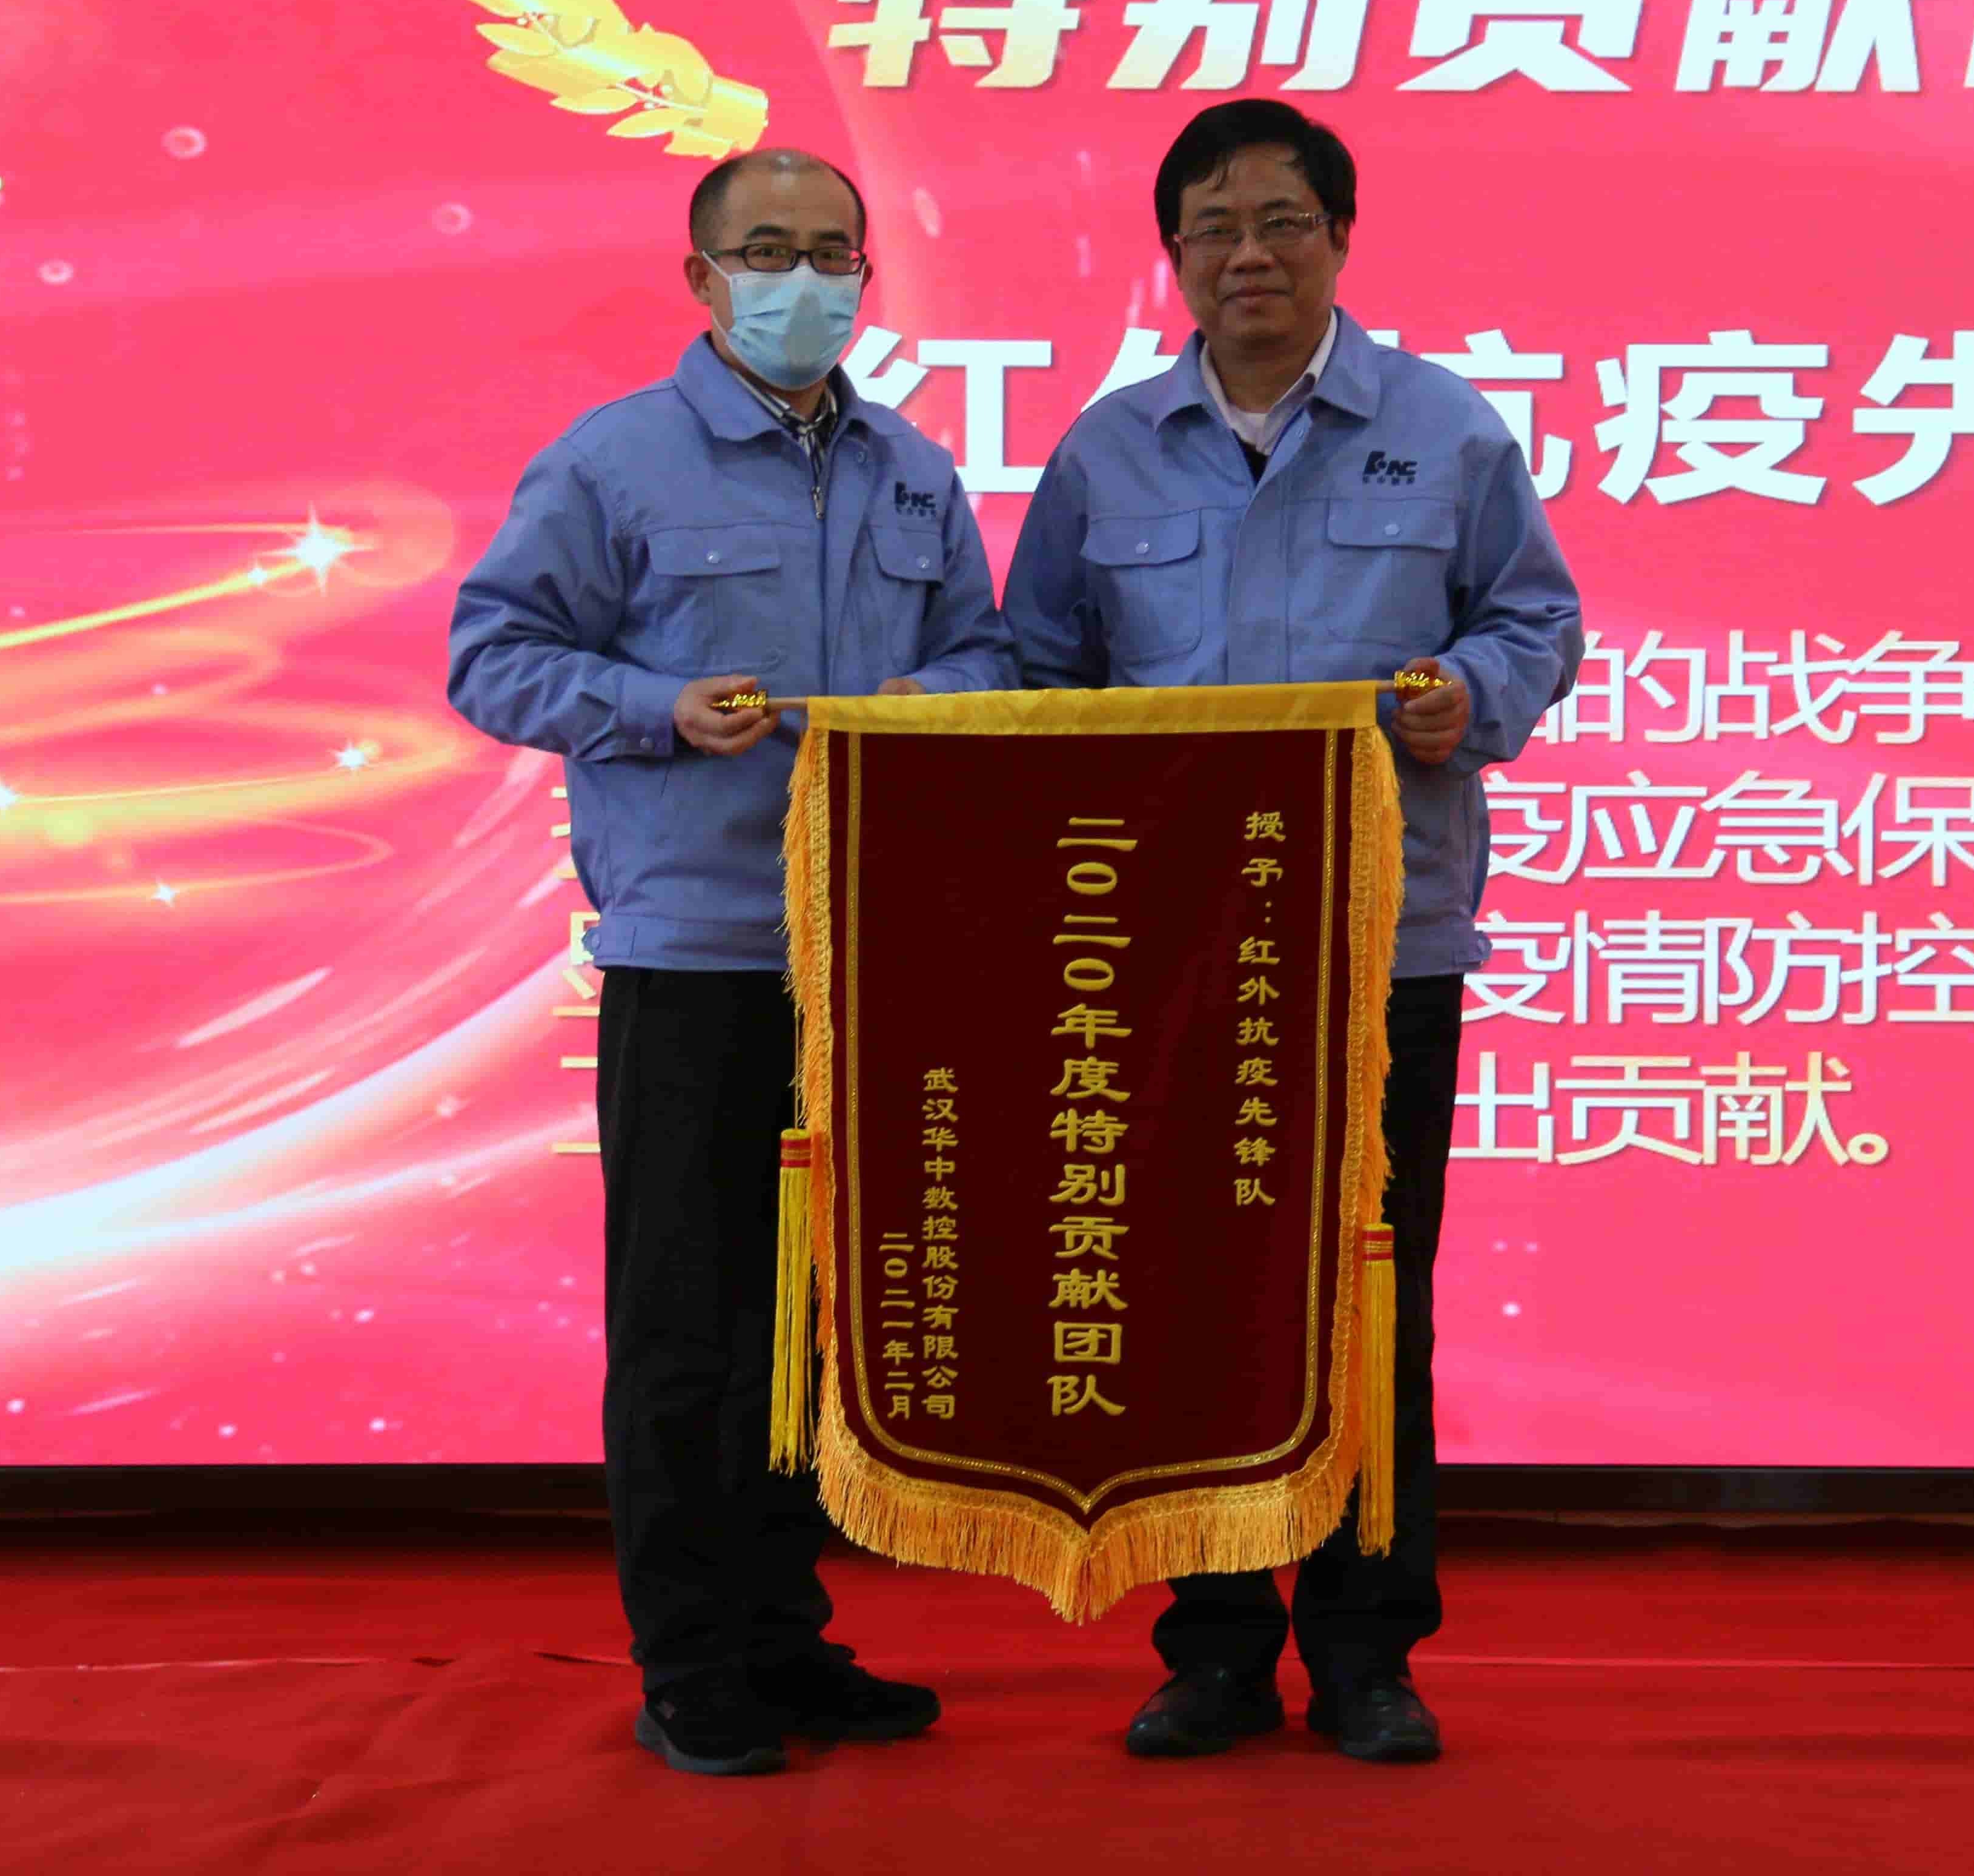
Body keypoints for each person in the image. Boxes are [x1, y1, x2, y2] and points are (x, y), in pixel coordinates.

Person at [1002, 99, 1583, 1765]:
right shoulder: (1109, 451)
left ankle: (1368, 1650)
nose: (1247, 255)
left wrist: (1469, 693)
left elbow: (1535, 616)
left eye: (1280, 222)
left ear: (1339, 239)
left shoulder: (1443, 430)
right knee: (1192, 1299)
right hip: (1165, 954)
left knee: (1368, 1296)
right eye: (1213, 228)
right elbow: (1036, 671)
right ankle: (1214, 1647)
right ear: (1173, 256)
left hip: (1379, 941)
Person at [446, 148, 1015, 1777]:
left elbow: (984, 653)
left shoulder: (911, 472)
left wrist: (937, 704)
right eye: (767, 251)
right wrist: (652, 707)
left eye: (832, 252)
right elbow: (494, 655)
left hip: (873, 952)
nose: (803, 281)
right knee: (691, 1324)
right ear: (702, 278)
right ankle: (690, 1660)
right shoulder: (615, 460)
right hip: (695, 952)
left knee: (822, 1322)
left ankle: (786, 1636)